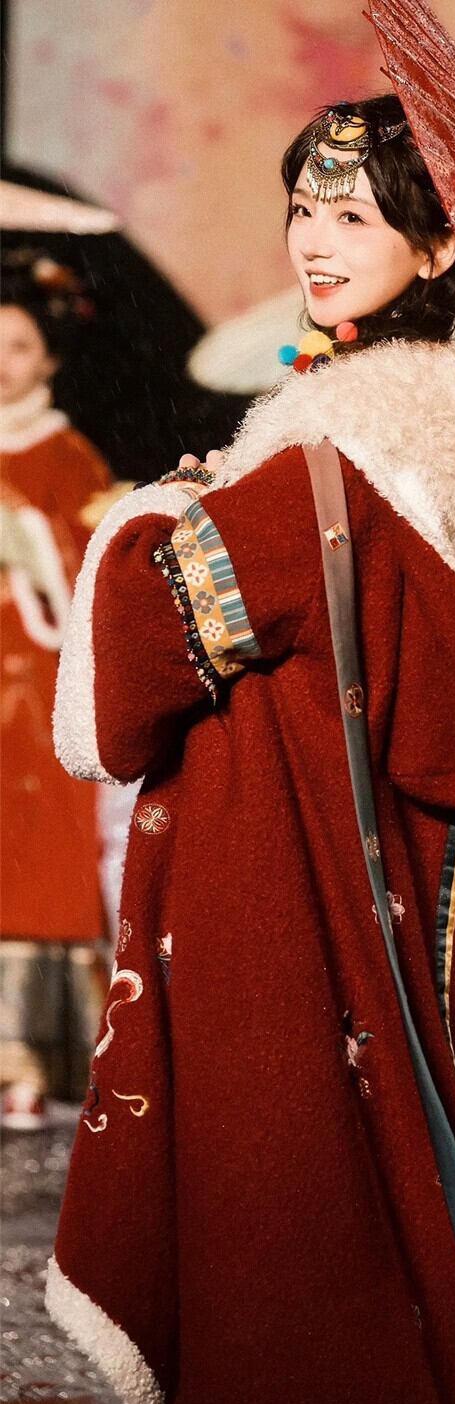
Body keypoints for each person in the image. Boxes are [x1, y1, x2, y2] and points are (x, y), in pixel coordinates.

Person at [46, 96, 455, 1404]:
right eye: (304, 208)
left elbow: (146, 650)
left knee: (302, 1176)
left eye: (353, 215)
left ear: (437, 247)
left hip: (314, 886)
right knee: (403, 1169)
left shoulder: (340, 440)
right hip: (418, 872)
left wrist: (156, 514)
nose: (313, 240)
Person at [0, 254, 111, 1128]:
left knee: (42, 864)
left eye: (18, 345)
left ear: (51, 358)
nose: (1, 363)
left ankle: (35, 1061)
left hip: (37, 694)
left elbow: (93, 573)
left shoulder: (70, 456)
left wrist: (28, 533)